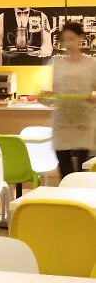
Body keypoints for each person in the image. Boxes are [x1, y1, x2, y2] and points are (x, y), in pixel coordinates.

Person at [41, 22, 96, 179]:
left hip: (84, 124)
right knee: (65, 171)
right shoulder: (57, 63)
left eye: (71, 39)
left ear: (81, 38)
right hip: (62, 125)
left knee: (82, 173)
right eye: (65, 40)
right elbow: (54, 93)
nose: (68, 44)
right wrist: (45, 97)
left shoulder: (92, 64)